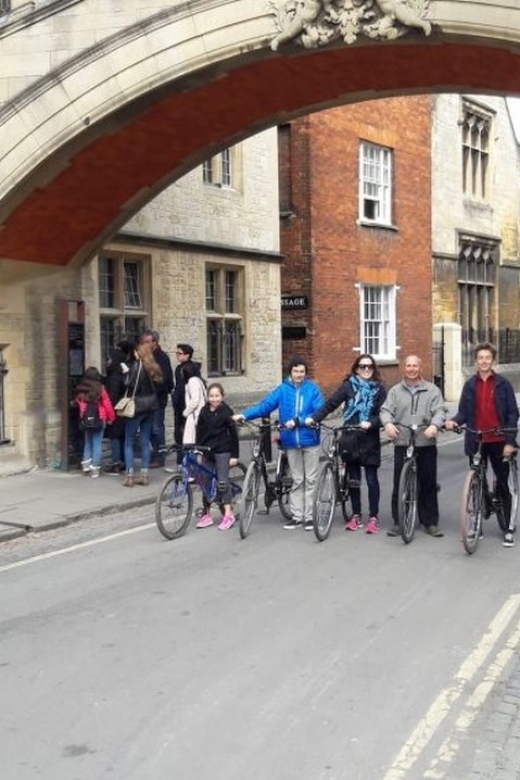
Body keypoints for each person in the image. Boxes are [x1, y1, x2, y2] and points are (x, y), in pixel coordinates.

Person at [233, 356, 324, 531]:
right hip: (290, 441)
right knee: (297, 480)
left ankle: (310, 517)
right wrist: (245, 415)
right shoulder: (282, 390)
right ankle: (297, 516)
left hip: (310, 439)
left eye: (302, 372)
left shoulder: (313, 390)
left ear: (306, 373)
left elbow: (319, 411)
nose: (299, 375)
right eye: (296, 371)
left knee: (310, 479)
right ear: (290, 372)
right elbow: (265, 406)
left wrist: (300, 420)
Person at [445, 342, 519, 547]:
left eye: (487, 358)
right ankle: (477, 522)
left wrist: (510, 441)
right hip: (477, 438)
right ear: (476, 361)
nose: (484, 361)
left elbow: (513, 414)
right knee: (478, 481)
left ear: (493, 360)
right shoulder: (470, 385)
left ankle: (508, 527)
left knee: (503, 483)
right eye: (480, 358)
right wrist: (453, 421)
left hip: (499, 439)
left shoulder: (503, 384)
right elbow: (463, 412)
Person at [306, 354, 386, 534]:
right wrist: (314, 418)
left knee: (372, 480)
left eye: (370, 367)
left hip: (370, 438)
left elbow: (385, 414)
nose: (366, 370)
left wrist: (371, 423)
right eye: (363, 366)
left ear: (374, 369)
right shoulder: (348, 386)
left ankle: (374, 517)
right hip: (350, 437)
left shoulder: (379, 390)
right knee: (354, 480)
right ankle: (356, 515)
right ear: (356, 368)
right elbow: (331, 404)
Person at [380, 354, 446, 537]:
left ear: (420, 367)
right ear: (404, 368)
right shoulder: (395, 391)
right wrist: (388, 424)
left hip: (425, 440)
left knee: (428, 482)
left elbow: (440, 411)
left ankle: (430, 521)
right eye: (408, 366)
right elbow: (385, 410)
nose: (411, 369)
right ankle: (399, 520)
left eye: (414, 366)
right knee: (399, 481)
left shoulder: (432, 390)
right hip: (402, 440)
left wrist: (434, 425)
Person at [195, 383, 240, 531]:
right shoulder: (204, 411)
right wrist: (199, 452)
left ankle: (228, 513)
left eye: (217, 396)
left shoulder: (226, 412)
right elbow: (199, 433)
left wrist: (234, 455)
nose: (214, 399)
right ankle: (206, 514)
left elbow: (234, 435)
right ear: (207, 397)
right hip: (207, 450)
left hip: (223, 450)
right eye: (211, 396)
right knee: (205, 480)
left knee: (222, 481)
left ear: (222, 396)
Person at [122, 341, 163, 488]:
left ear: (140, 353)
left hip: (137, 406)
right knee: (145, 441)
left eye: (135, 351)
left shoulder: (136, 367)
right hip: (151, 406)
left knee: (129, 441)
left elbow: (130, 385)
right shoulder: (154, 367)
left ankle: (130, 475)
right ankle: (144, 475)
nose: (133, 353)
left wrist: (126, 374)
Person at [140, 330, 174, 467]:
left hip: (157, 399)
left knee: (157, 428)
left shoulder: (161, 357)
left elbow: (165, 380)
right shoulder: (145, 356)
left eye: (149, 342)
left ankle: (159, 457)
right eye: (144, 342)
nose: (146, 344)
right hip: (146, 398)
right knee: (148, 427)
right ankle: (154, 454)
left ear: (155, 342)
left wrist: (155, 391)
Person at [74, 366, 115, 478]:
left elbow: (80, 404)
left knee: (88, 442)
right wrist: (111, 417)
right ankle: (95, 469)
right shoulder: (100, 389)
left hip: (86, 420)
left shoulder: (80, 389)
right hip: (99, 418)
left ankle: (86, 465)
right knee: (97, 443)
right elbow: (107, 404)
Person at [103, 340, 132, 474]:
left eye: (109, 359)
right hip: (124, 411)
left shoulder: (114, 377)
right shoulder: (123, 374)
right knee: (122, 436)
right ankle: (124, 462)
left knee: (115, 436)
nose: (107, 361)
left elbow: (112, 397)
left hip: (117, 411)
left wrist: (110, 414)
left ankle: (117, 462)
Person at [172, 343, 195, 453]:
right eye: (177, 353)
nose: (177, 355)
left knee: (183, 433)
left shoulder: (187, 369)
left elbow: (183, 389)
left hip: (184, 405)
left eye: (180, 353)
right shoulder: (180, 368)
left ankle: (183, 461)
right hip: (182, 405)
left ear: (187, 355)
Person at [182, 361, 207, 445]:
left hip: (195, 415)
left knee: (192, 441)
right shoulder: (198, 380)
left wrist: (185, 412)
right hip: (198, 414)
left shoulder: (192, 381)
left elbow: (194, 400)